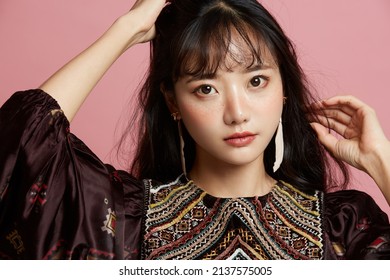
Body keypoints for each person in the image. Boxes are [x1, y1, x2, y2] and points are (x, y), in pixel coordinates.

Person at [0, 0, 389, 260]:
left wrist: (380, 160)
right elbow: (21, 147)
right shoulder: (125, 220)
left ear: (284, 88)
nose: (237, 113)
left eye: (256, 81)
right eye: (206, 88)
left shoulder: (346, 226)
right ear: (173, 102)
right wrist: (127, 29)